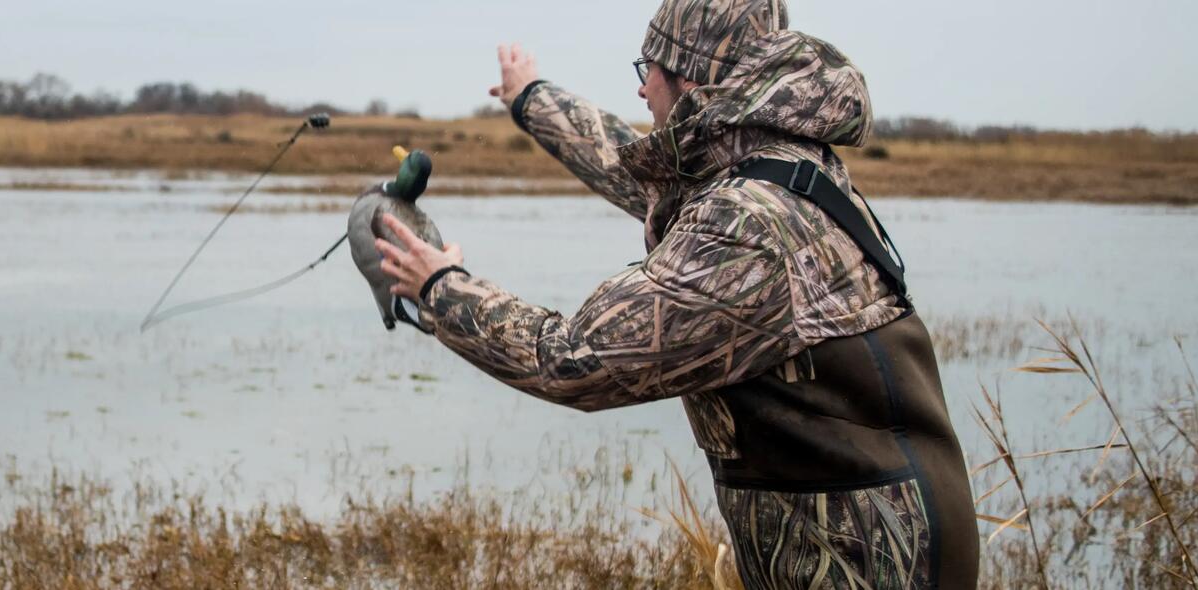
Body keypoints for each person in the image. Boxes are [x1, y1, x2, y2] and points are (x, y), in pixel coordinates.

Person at [371, 0, 978, 587]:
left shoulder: (746, 229)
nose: (640, 91)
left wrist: (440, 288)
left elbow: (573, 362)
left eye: (648, 70)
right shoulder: (768, 165)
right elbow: (630, 164)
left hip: (871, 561)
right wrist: (532, 98)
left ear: (686, 79)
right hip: (877, 536)